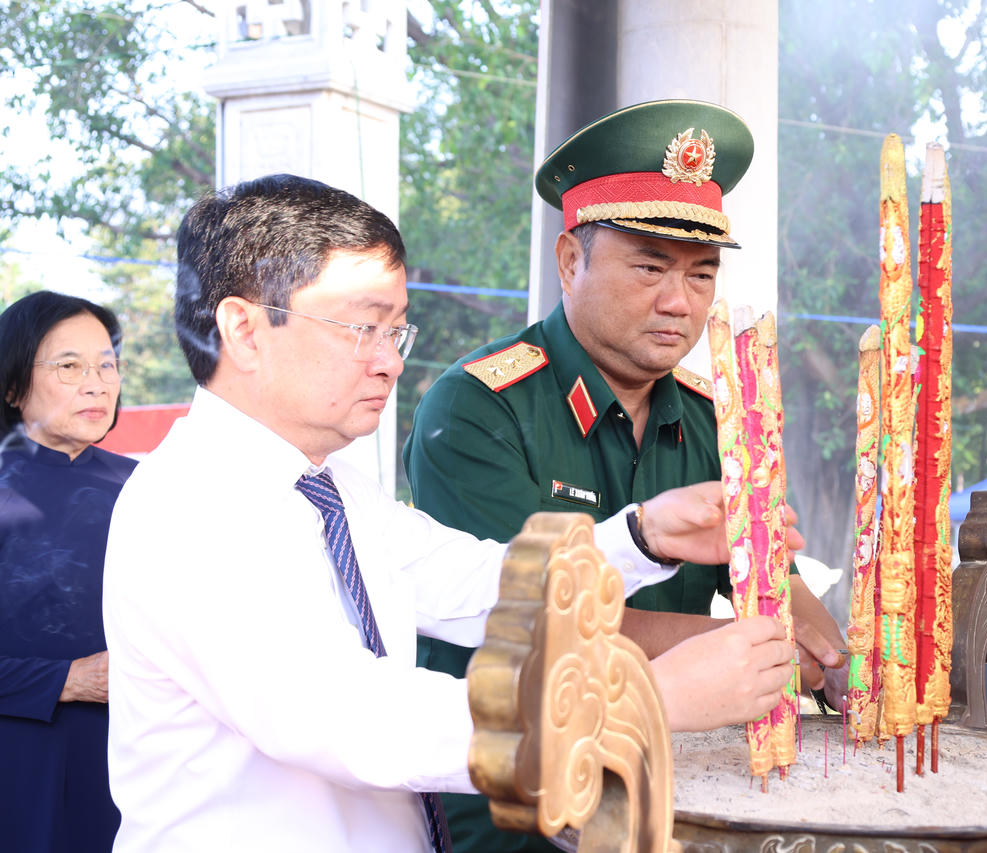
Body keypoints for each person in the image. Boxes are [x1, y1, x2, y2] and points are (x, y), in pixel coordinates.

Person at [102, 174, 801, 853]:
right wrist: (646, 697)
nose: (389, 363)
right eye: (362, 329)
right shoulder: (192, 508)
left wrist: (645, 535)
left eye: (396, 333)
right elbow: (361, 719)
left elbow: (472, 581)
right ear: (244, 329)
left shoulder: (328, 485)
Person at [403, 100, 848, 851]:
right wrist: (753, 651)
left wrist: (833, 658)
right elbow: (539, 624)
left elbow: (777, 583)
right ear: (571, 260)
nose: (680, 302)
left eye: (702, 274)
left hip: (674, 801)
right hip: (521, 810)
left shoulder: (720, 420)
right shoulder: (477, 410)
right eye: (649, 267)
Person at [0, 291, 136, 852]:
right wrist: (64, 680)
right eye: (70, 366)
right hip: (18, 761)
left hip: (135, 761)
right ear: (12, 386)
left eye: (107, 364)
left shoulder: (151, 489)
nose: (97, 383)